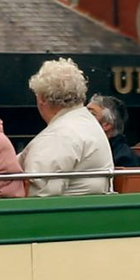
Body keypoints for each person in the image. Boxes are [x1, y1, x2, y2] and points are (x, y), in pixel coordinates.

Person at [19, 57, 112, 196]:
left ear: (42, 98)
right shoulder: (86, 122)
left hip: (66, 215)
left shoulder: (59, 135)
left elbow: (39, 194)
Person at [89, 94, 140, 168]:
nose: (83, 117)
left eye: (91, 114)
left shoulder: (124, 159)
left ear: (106, 124)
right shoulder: (88, 149)